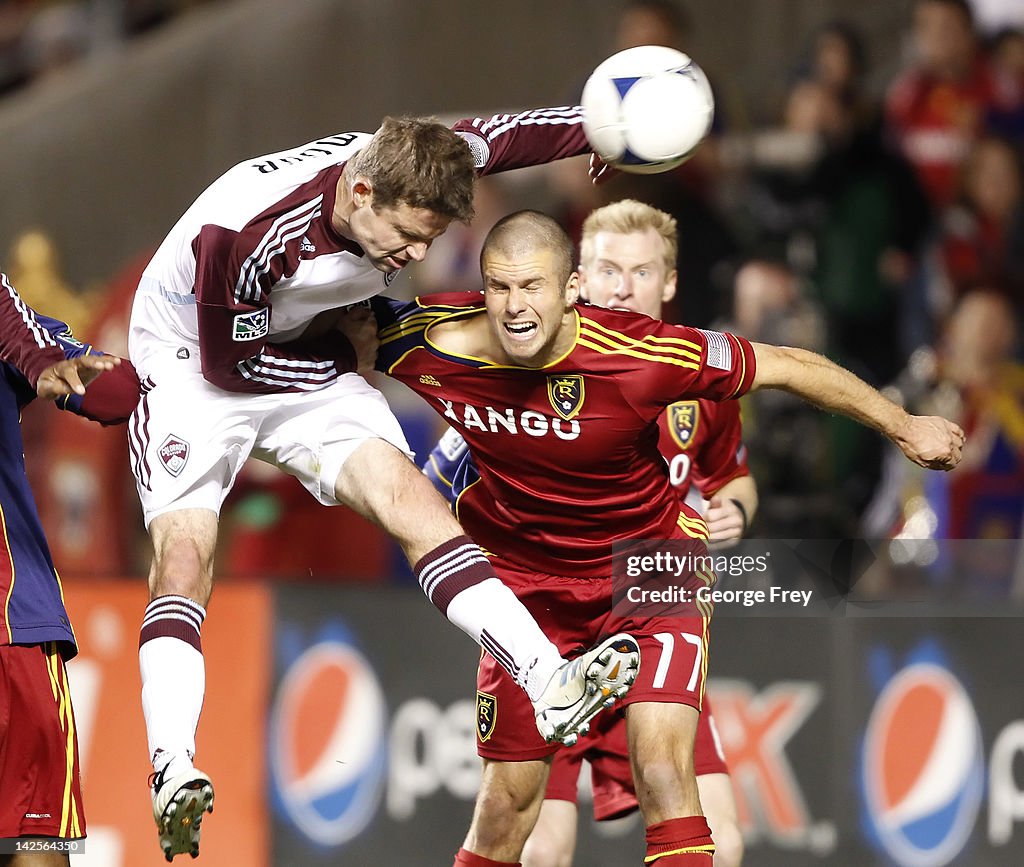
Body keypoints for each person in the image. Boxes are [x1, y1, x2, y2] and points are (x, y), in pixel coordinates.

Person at [362, 210, 963, 866]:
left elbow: (785, 369)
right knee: (510, 813)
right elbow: (314, 326)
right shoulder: (437, 338)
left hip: (656, 565)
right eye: (501, 289)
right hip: (528, 589)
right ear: (583, 277)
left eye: (640, 272)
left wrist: (902, 424)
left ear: (570, 288)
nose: (515, 307)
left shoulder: (653, 356)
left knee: (667, 773)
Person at [127, 106, 641, 860]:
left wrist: (603, 125)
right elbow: (229, 368)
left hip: (297, 339)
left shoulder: (419, 161)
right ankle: (172, 764)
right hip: (191, 359)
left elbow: (510, 135)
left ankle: (549, 677)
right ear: (360, 194)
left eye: (429, 241)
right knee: (184, 556)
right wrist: (343, 358)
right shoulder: (247, 231)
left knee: (411, 500)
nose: (413, 255)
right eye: (405, 237)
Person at [422, 200, 752, 867]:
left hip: (651, 598)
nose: (622, 286)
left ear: (670, 283)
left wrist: (736, 514)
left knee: (722, 837)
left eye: (640, 270)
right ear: (577, 280)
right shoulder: (523, 372)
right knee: (539, 846)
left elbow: (732, 478)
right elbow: (434, 484)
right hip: (550, 616)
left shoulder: (700, 378)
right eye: (607, 269)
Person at [0, 272, 139, 866]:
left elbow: (112, 394)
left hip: (9, 628)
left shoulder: (13, 334)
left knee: (32, 847)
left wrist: (46, 361)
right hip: (13, 630)